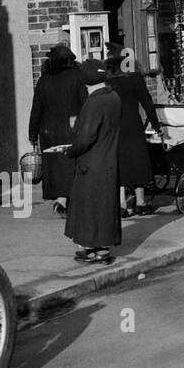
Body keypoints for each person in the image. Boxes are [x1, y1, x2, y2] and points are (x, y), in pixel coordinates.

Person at [64, 59, 121, 265]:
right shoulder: (114, 97)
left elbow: (86, 137)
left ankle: (88, 249)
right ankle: (103, 250)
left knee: (87, 208)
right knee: (105, 207)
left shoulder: (94, 102)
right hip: (109, 161)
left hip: (91, 163)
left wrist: (71, 150)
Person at [106, 46, 164, 216]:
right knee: (137, 162)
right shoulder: (135, 78)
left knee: (119, 163)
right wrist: (156, 125)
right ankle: (140, 202)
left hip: (113, 127)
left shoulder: (108, 81)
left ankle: (122, 203)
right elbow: (147, 103)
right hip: (133, 126)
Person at [28, 44, 85, 215]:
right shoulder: (78, 77)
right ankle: (65, 199)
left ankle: (60, 198)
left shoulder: (44, 80)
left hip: (48, 131)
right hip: (72, 128)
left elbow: (36, 108)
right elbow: (85, 103)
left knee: (54, 166)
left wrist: (32, 132)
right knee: (70, 164)